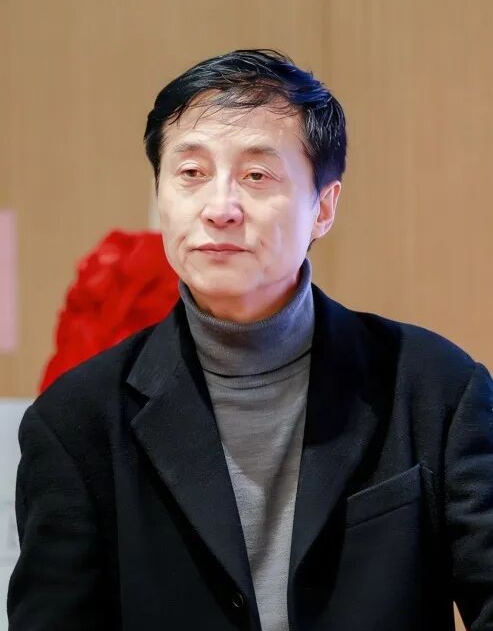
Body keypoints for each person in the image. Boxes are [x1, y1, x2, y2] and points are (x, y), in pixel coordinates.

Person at [7, 49, 493, 631]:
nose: (220, 209)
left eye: (257, 176)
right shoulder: (75, 422)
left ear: (324, 207)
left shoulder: (436, 388)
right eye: (191, 173)